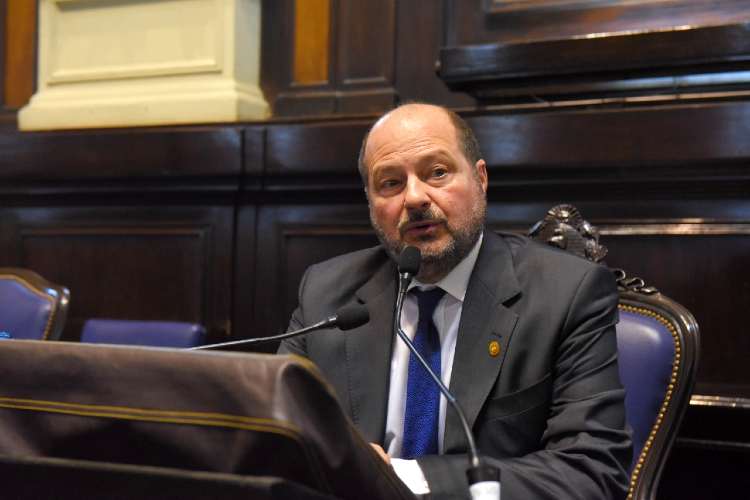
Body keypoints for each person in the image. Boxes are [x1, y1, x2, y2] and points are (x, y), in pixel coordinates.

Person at [279, 103, 632, 499]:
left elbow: (592, 471)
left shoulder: (566, 293)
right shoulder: (326, 293)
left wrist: (404, 477)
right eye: (391, 183)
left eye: (437, 172)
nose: (415, 197)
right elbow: (276, 435)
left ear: (480, 178)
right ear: (371, 201)